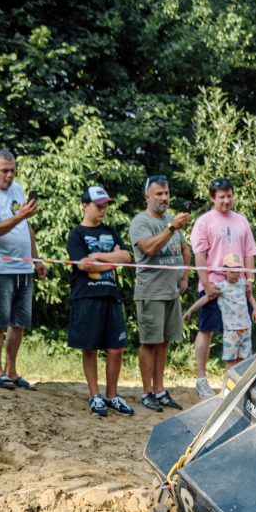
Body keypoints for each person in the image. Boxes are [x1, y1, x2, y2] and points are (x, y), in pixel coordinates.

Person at [0, 150, 44, 391]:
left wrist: (37, 259)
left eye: (13, 170)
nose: (10, 175)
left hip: (24, 266)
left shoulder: (18, 188)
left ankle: (12, 371)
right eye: (5, 170)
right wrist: (20, 215)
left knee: (20, 322)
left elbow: (26, 226)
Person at [66, 184, 133, 417]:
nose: (103, 210)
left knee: (117, 349)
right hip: (87, 296)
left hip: (111, 295)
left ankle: (111, 395)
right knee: (90, 348)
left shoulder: (111, 231)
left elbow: (125, 256)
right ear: (85, 206)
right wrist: (111, 261)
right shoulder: (75, 234)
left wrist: (99, 256)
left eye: (106, 206)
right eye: (98, 206)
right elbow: (83, 264)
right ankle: (94, 395)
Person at [190, 177, 256, 397]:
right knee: (207, 329)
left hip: (238, 286)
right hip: (214, 284)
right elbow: (199, 256)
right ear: (212, 198)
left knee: (241, 331)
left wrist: (249, 281)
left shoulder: (241, 221)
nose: (226, 200)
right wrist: (207, 284)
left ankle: (235, 383)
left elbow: (249, 253)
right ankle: (202, 379)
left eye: (229, 196)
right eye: (221, 197)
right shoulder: (204, 221)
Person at [129, 175, 191, 412]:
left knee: (164, 342)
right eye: (159, 194)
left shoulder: (170, 220)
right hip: (151, 291)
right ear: (147, 197)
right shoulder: (140, 222)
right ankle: (147, 393)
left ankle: (160, 390)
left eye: (166, 193)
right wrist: (172, 226)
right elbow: (150, 248)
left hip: (171, 291)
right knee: (150, 342)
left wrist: (184, 276)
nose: (164, 198)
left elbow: (185, 248)